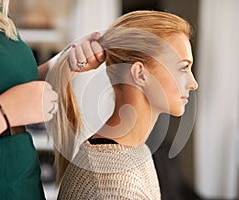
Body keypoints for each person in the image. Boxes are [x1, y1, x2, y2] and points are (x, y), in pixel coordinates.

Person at [46, 10, 199, 199]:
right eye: (183, 68)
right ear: (140, 75)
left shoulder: (135, 153)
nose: (193, 83)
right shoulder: (116, 187)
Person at [0, 0, 104, 199]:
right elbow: (8, 101)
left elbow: (5, 84)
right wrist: (3, 111)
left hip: (21, 180)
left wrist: (67, 61)